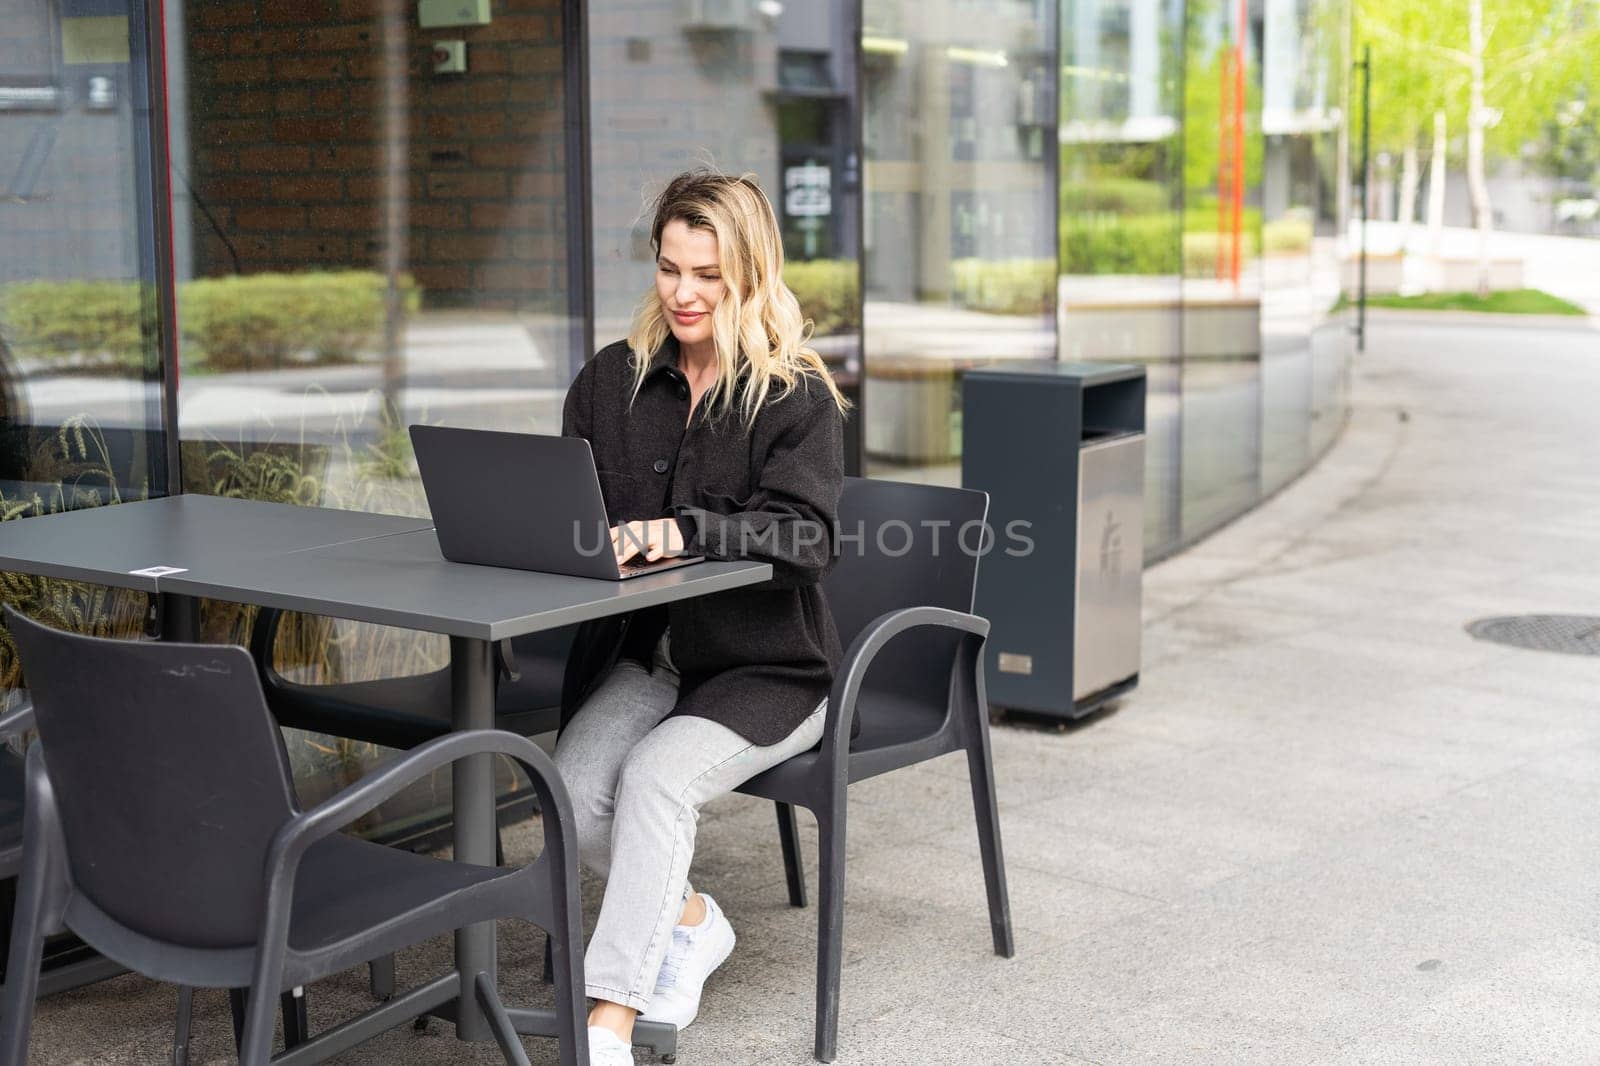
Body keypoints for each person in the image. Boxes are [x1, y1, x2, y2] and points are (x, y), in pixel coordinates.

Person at [555, 170, 850, 1066]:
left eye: (709, 274)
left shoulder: (792, 394)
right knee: (569, 793)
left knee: (653, 782)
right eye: (670, 268)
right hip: (655, 658)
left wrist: (682, 530)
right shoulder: (614, 381)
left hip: (770, 669)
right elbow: (567, 503)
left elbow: (808, 538)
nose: (684, 293)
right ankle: (692, 920)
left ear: (751, 274)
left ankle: (606, 1026)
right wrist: (581, 537)